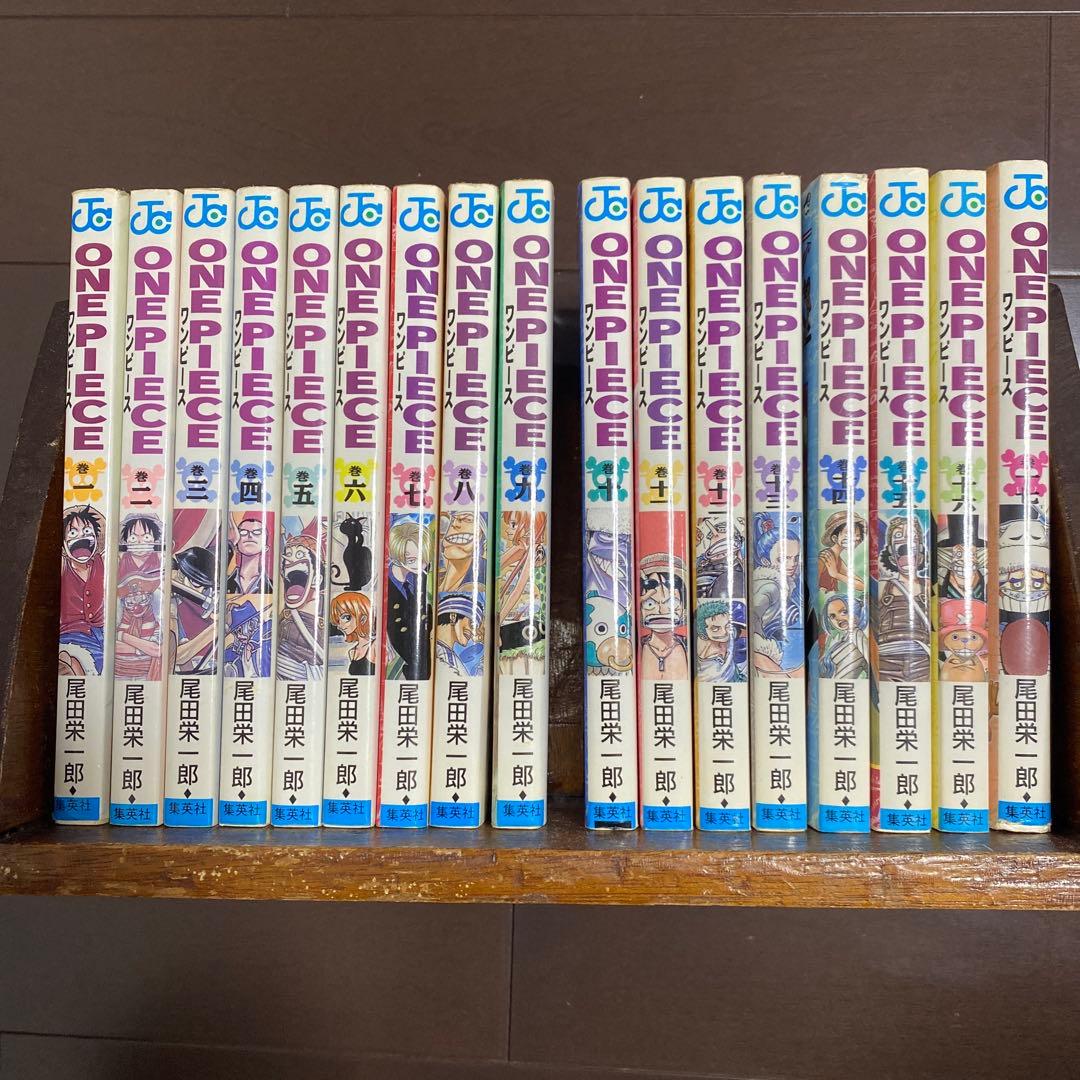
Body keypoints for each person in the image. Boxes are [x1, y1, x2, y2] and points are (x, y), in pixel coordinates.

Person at [59, 506, 107, 675]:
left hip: (104, 631)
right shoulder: (63, 566)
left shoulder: (103, 562)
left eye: (87, 531)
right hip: (72, 633)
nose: (81, 537)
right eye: (72, 533)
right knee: (94, 661)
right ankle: (67, 661)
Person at [329, 591, 376, 675]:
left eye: (346, 617)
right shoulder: (352, 652)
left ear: (363, 618)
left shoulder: (375, 646)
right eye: (338, 620)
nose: (340, 626)